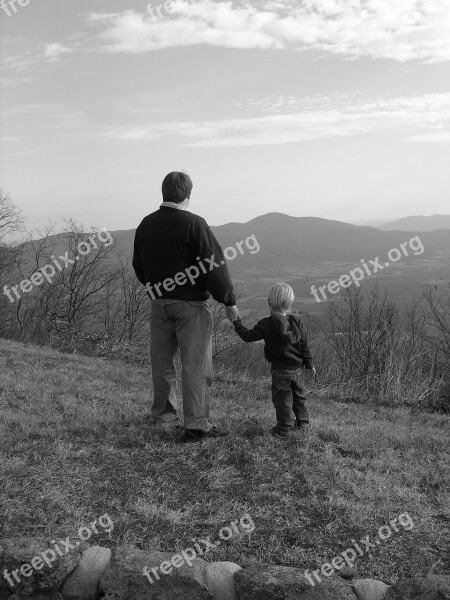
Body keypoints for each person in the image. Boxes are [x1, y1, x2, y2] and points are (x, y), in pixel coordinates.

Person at [133, 171, 240, 442]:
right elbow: (214, 265)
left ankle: (163, 417)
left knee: (162, 363)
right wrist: (228, 300)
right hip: (191, 306)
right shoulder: (194, 224)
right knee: (195, 366)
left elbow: (139, 265)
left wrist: (154, 287)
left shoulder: (146, 224)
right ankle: (196, 425)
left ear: (164, 192)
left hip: (159, 304)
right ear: (187, 194)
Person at [230, 282, 315, 437]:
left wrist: (236, 322)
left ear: (270, 302)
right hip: (297, 369)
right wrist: (309, 364)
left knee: (282, 400)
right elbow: (304, 345)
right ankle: (303, 424)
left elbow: (248, 336)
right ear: (290, 303)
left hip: (280, 371)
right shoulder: (296, 322)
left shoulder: (266, 324)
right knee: (299, 397)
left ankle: (284, 428)